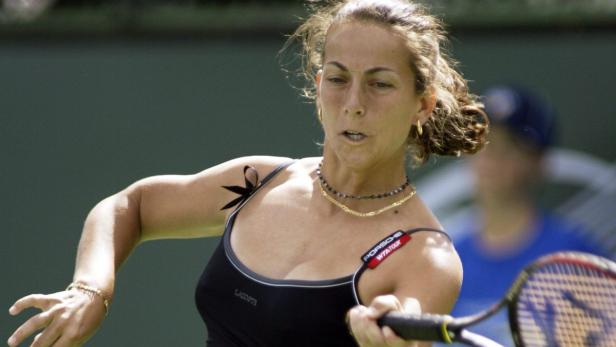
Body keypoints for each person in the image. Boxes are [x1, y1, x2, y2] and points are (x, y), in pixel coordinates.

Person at [7, 1, 488, 346]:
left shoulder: (426, 257)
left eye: (380, 84)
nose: (354, 105)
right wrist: (90, 290)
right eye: (338, 79)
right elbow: (130, 206)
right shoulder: (256, 182)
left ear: (421, 105)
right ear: (319, 87)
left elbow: (407, 319)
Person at [450, 84, 609, 345]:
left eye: (507, 147)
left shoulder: (577, 256)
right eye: (481, 143)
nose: (490, 158)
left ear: (538, 162)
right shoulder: (446, 255)